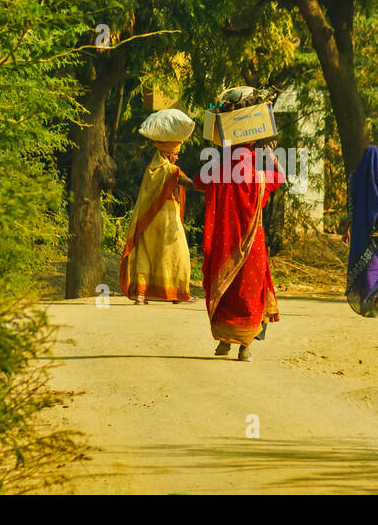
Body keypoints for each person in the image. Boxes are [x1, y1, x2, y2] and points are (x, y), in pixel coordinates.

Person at [192, 142, 283, 361]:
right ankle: (245, 347)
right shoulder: (259, 178)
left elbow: (197, 181)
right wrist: (272, 157)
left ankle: (225, 342)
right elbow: (279, 178)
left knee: (227, 290)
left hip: (226, 244)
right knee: (248, 292)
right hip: (253, 245)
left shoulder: (219, 174)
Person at [119, 140, 196, 305]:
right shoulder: (171, 170)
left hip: (148, 219)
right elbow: (190, 184)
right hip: (168, 220)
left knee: (145, 255)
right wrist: (211, 183)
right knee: (177, 255)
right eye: (175, 153)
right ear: (168, 154)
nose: (177, 156)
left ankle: (140, 296)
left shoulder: (150, 170)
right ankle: (178, 294)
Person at [345, 146, 378, 317]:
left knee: (370, 263)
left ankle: (369, 305)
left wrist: (346, 229)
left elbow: (350, 206)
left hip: (361, 226)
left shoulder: (353, 178)